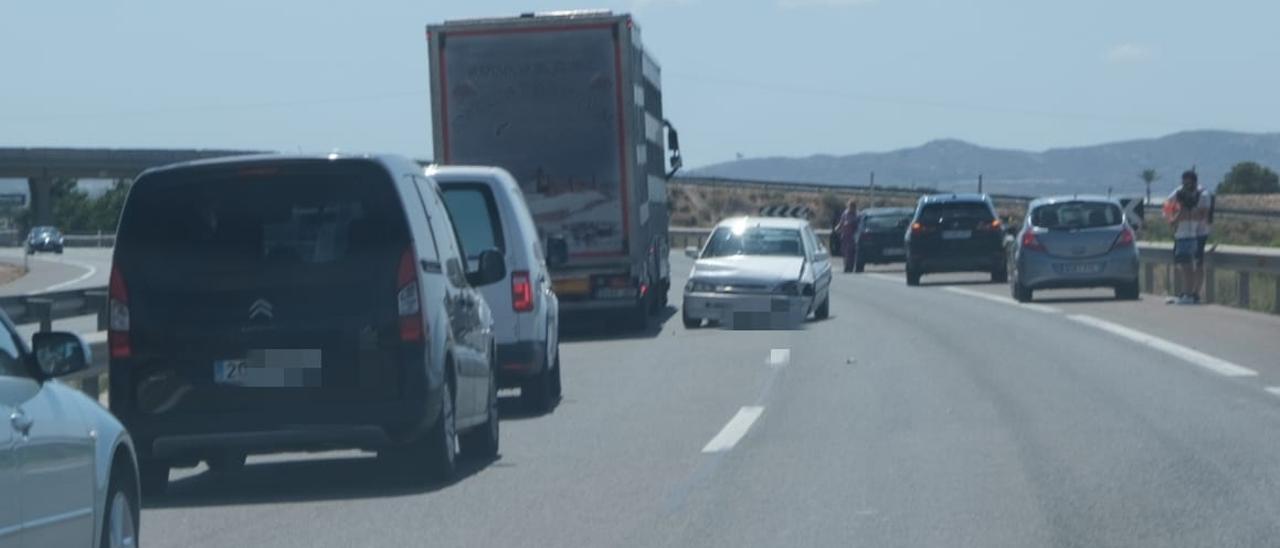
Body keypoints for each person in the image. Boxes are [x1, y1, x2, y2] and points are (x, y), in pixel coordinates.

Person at [1167, 170, 1211, 304]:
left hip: (1200, 233)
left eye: (1189, 182)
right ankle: (1187, 291)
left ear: (1195, 182)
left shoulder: (1203, 194)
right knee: (1183, 264)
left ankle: (1195, 293)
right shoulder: (1178, 193)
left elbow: (1203, 215)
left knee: (1197, 264)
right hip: (1182, 233)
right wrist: (1174, 217)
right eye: (1184, 182)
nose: (1186, 185)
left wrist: (1183, 214)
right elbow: (1167, 208)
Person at [835, 199, 859, 273]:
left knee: (851, 252)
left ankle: (850, 267)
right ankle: (846, 266)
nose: (851, 208)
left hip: (853, 236)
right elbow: (841, 222)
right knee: (845, 252)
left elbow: (857, 224)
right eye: (850, 206)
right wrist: (837, 227)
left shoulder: (857, 214)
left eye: (852, 206)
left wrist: (851, 223)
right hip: (845, 236)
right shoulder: (845, 213)